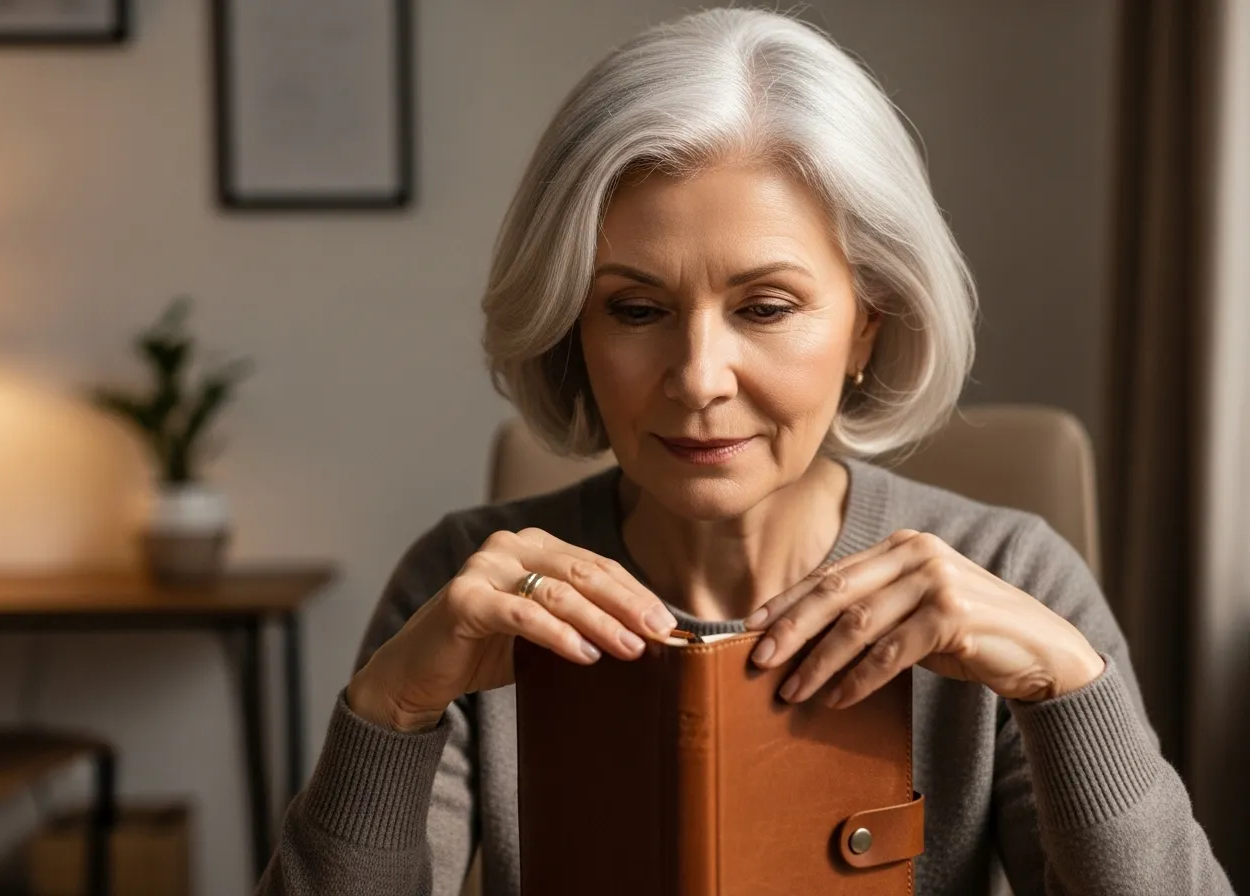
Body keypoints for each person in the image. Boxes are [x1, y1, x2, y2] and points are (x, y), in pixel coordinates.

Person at [257, 9, 1233, 896]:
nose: (697, 378)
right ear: (571, 328)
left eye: (764, 307)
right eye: (636, 309)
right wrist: (386, 709)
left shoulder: (1016, 573)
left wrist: (1070, 692)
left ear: (867, 321)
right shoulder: (465, 585)